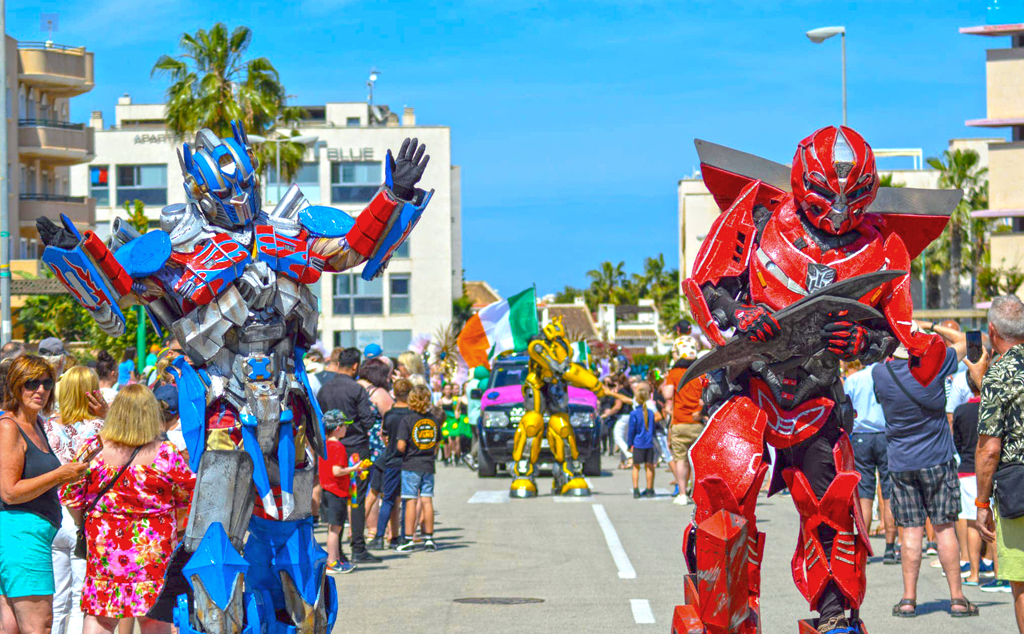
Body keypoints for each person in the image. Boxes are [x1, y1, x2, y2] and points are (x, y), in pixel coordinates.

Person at [61, 384, 195, 634]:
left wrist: (86, 524)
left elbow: (70, 494)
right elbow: (188, 494)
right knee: (152, 615)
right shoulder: (165, 453)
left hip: (104, 543)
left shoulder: (95, 449)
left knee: (101, 614)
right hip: (153, 546)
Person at [872, 325, 975, 618]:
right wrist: (930, 328)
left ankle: (908, 599)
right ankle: (957, 598)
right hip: (937, 459)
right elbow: (967, 340)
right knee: (944, 528)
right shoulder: (937, 365)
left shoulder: (881, 374)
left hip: (902, 462)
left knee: (911, 532)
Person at [0, 355, 88, 634]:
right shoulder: (8, 427)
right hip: (21, 535)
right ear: (15, 386)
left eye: (47, 383)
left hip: (29, 534)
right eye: (31, 383)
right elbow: (9, 492)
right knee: (39, 626)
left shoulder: (35, 423)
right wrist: (60, 475)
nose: (40, 390)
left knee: (12, 626)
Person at [44, 366, 108, 634]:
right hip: (86, 518)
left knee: (57, 599)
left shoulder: (45, 427)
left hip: (52, 514)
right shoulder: (101, 428)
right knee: (81, 598)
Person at [975, 295, 1024, 631]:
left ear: (992, 330)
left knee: (1021, 579)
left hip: (1018, 487)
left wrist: (981, 502)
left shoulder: (1000, 372)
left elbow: (990, 449)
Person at [317, 347, 380, 564]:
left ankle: (338, 551)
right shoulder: (356, 389)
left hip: (330, 448)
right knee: (356, 499)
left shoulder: (324, 389)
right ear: (355, 367)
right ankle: (358, 547)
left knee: (338, 497)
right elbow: (368, 420)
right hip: (355, 450)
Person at [843, 360, 898, 564]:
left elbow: (846, 409)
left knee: (865, 493)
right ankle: (890, 547)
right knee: (888, 491)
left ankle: (863, 548)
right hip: (885, 434)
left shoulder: (854, 379)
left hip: (861, 435)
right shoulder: (889, 377)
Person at [319, 411, 366, 574]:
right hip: (336, 491)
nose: (346, 428)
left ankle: (336, 559)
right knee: (335, 529)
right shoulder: (338, 447)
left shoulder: (324, 444)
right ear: (338, 428)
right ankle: (332, 561)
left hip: (326, 489)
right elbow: (337, 471)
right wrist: (354, 468)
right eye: (345, 425)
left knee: (333, 528)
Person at [368, 379, 413, 551]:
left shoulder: (390, 414)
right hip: (408, 459)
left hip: (392, 459)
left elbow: (384, 436)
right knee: (406, 500)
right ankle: (402, 536)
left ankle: (380, 536)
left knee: (387, 499)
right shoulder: (412, 414)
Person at [395, 385, 441, 552]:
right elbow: (436, 444)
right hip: (428, 463)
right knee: (427, 500)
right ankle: (429, 537)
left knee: (411, 500)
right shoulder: (434, 420)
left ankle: (408, 537)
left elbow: (401, 445)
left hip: (411, 463)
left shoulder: (407, 420)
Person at [951, 372, 985, 587]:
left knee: (972, 523)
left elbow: (958, 442)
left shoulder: (961, 411)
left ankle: (974, 572)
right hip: (994, 470)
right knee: (995, 521)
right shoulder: (996, 407)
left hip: (967, 469)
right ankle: (994, 565)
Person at [357, 358, 394, 541]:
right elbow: (392, 419)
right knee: (377, 490)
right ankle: (377, 529)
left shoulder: (354, 388)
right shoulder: (379, 393)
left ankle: (355, 529)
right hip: (378, 447)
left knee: (358, 489)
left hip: (356, 443)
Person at [663, 340, 703, 506]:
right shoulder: (701, 372)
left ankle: (682, 494)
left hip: (680, 421)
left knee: (681, 460)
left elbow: (667, 394)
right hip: (698, 421)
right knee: (697, 461)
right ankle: (697, 494)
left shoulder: (675, 373)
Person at [627, 382, 657, 499]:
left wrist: (630, 444)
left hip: (638, 443)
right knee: (649, 467)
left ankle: (636, 489)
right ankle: (649, 489)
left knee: (636, 467)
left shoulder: (634, 413)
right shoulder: (650, 413)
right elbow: (653, 428)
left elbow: (631, 430)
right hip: (648, 443)